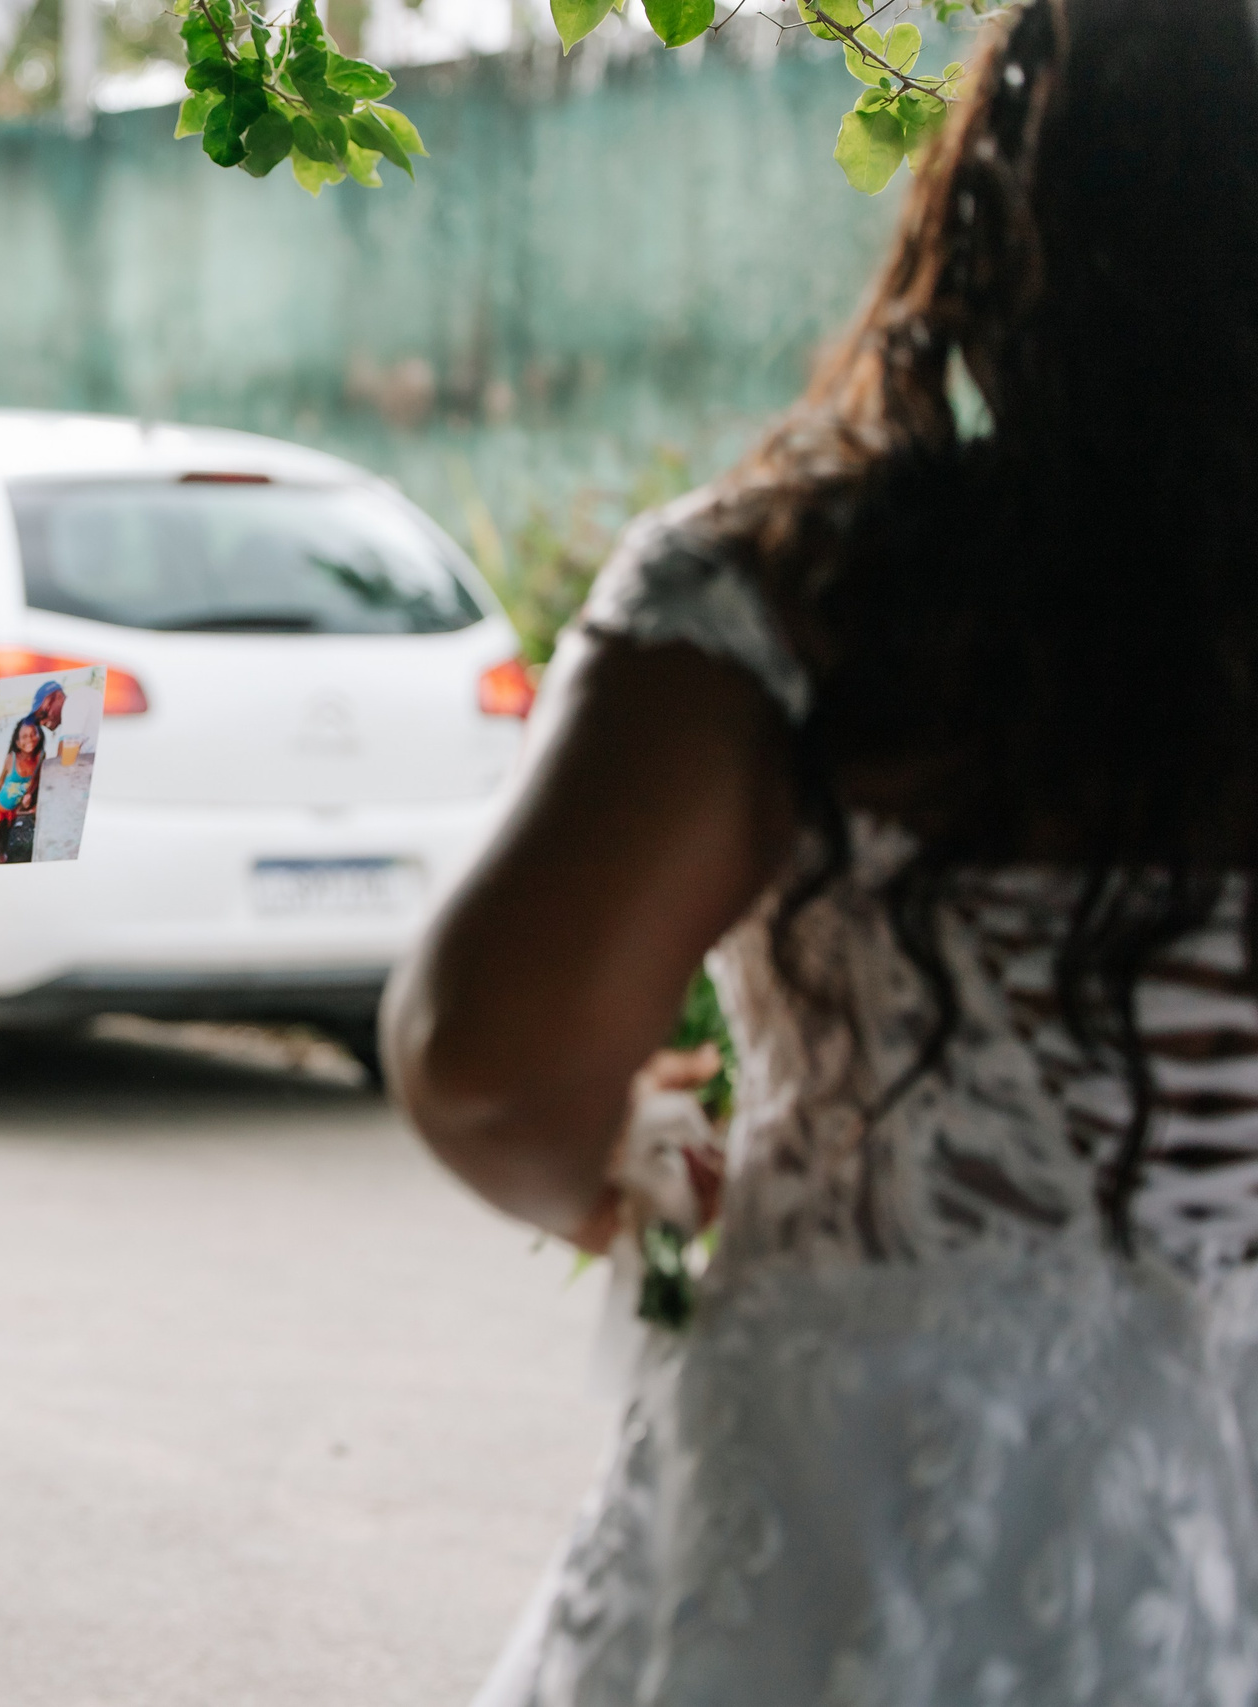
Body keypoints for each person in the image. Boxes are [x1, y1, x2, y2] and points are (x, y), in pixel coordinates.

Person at [385, 0, 1258, 1698]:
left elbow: (489, 1062)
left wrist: (621, 1168)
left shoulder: (794, 591)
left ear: (1001, 222)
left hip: (862, 1500)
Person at [0, 716, 46, 864]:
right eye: (24, 736)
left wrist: (30, 795)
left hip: (13, 810)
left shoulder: (41, 756)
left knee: (6, 835)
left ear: (40, 735)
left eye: (33, 734)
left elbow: (36, 778)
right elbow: (0, 782)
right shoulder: (12, 758)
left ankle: (2, 855)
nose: (30, 739)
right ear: (17, 742)